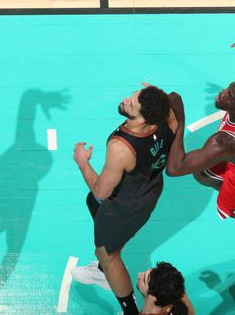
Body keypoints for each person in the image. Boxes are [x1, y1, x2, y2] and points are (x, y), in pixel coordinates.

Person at [72, 84, 179, 315]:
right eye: (131, 96)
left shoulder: (121, 147)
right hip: (149, 189)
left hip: (125, 206)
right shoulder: (165, 119)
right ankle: (105, 264)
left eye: (131, 102)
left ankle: (127, 306)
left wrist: (82, 162)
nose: (125, 100)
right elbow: (173, 115)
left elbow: (102, 191)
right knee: (92, 202)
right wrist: (156, 95)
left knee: (107, 254)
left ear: (142, 119)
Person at [165, 81, 235, 220]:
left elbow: (175, 168)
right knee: (204, 170)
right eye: (229, 87)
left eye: (230, 95)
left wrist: (179, 119)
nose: (223, 92)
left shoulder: (224, 142)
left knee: (202, 169)